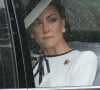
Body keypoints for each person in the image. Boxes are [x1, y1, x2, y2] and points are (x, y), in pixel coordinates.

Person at [27, 0, 97, 87]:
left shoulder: (84, 58)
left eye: (52, 20)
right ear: (31, 31)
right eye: (38, 23)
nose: (46, 29)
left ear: (63, 24)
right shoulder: (29, 64)